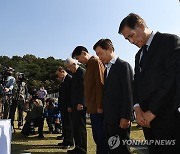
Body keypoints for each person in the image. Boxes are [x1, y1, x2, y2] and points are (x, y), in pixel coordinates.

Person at [118, 13, 180, 154]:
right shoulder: (138, 55)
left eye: (131, 35)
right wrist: (138, 108)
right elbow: (136, 84)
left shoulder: (169, 41)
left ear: (141, 25)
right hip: (146, 121)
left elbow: (171, 81)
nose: (131, 41)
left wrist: (153, 112)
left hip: (167, 118)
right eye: (127, 39)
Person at [93, 39, 133, 154]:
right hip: (109, 118)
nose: (99, 57)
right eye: (97, 55)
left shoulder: (123, 66)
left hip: (120, 119)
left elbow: (128, 93)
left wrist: (126, 116)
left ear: (110, 49)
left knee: (122, 150)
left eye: (100, 53)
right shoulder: (106, 70)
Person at [72, 46, 108, 154]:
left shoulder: (95, 63)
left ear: (84, 53)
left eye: (78, 58)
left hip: (97, 108)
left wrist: (99, 106)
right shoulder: (89, 65)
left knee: (101, 138)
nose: (78, 61)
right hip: (93, 107)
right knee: (97, 137)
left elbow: (100, 85)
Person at [64, 58, 87, 154]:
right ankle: (77, 146)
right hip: (74, 104)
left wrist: (82, 102)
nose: (69, 70)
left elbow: (84, 89)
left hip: (79, 104)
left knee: (80, 127)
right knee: (76, 127)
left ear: (74, 64)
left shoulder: (82, 72)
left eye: (69, 67)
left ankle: (82, 149)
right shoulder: (74, 74)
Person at [55, 66, 74, 149]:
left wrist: (70, 105)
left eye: (58, 75)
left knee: (69, 124)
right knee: (65, 124)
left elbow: (71, 94)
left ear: (62, 72)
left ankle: (69, 141)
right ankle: (65, 140)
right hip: (63, 106)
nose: (58, 77)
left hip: (68, 106)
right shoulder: (63, 80)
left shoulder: (69, 79)